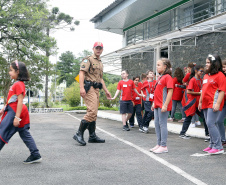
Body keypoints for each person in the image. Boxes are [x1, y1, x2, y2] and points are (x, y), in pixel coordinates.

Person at [0, 60, 42, 164]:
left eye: (11, 70)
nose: (9, 72)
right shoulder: (17, 84)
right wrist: (4, 108)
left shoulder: (18, 84)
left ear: (17, 71)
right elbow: (12, 99)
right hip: (15, 110)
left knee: (2, 132)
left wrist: (17, 117)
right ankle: (35, 154)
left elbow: (19, 101)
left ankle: (35, 154)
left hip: (15, 112)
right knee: (24, 133)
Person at [73, 42, 111, 146]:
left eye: (100, 48)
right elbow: (81, 73)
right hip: (89, 88)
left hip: (96, 89)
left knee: (94, 112)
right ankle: (78, 133)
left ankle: (92, 136)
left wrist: (106, 90)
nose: (98, 50)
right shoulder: (88, 59)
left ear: (102, 50)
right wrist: (81, 88)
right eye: (97, 48)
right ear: (93, 48)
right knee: (92, 111)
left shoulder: (100, 62)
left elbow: (100, 78)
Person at [199, 54, 225, 154]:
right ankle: (212, 144)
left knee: (211, 123)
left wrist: (218, 103)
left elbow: (222, 91)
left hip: (213, 103)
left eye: (209, 62)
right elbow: (203, 90)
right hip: (205, 102)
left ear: (214, 64)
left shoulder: (220, 76)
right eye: (206, 62)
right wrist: (200, 101)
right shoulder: (206, 75)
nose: (206, 64)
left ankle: (218, 147)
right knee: (208, 124)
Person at [150, 58, 173, 154]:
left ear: (165, 66)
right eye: (157, 65)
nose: (157, 67)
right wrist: (154, 102)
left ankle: (164, 145)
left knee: (162, 124)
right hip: (157, 105)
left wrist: (165, 105)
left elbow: (170, 91)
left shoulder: (168, 77)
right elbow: (157, 91)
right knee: (156, 124)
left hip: (163, 105)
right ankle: (159, 144)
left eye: (159, 65)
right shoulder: (159, 77)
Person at [179, 65, 208, 139]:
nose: (202, 73)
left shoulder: (201, 80)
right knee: (188, 118)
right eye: (201, 71)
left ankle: (207, 134)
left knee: (205, 117)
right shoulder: (192, 80)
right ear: (196, 71)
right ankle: (182, 133)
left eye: (203, 71)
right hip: (192, 102)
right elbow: (188, 91)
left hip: (198, 102)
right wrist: (199, 93)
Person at [215, 59, 226, 146]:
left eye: (225, 67)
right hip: (223, 102)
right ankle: (223, 139)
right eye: (223, 67)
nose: (224, 69)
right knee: (219, 120)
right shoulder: (221, 76)